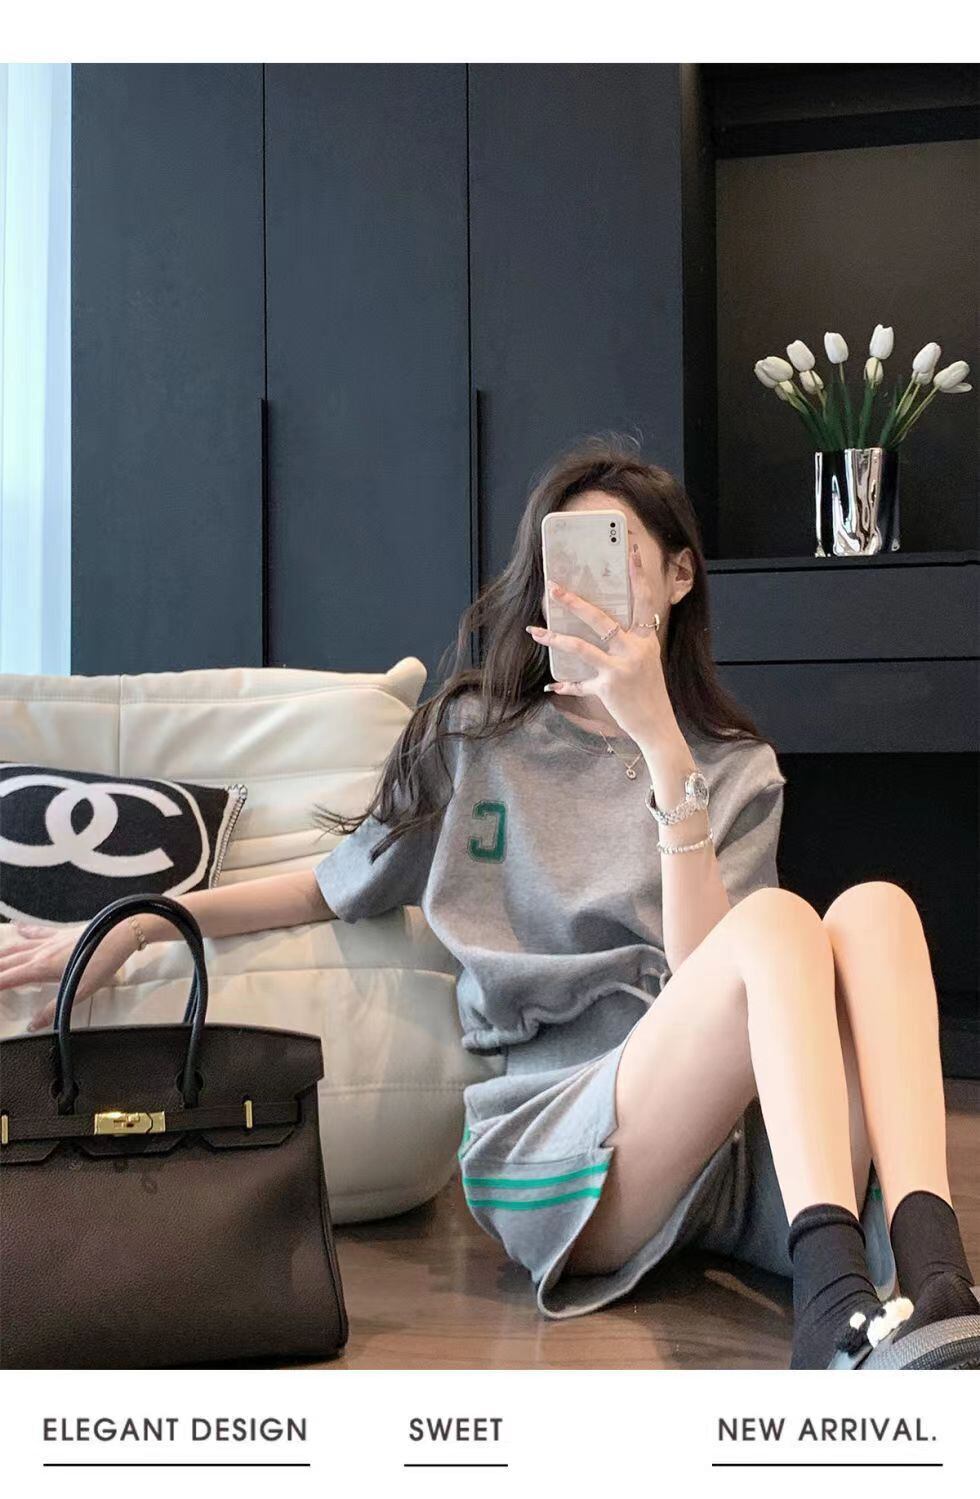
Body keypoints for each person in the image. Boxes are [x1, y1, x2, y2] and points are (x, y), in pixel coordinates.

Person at [5, 435, 977, 1370]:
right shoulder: (476, 737)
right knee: (775, 923)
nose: (586, 588)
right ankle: (833, 1300)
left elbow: (720, 987)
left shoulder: (732, 766)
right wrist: (140, 921)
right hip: (568, 1139)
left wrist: (661, 747)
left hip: (737, 1152)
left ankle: (934, 1275)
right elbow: (331, 883)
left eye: (617, 558)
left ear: (680, 576)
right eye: (566, 562)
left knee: (876, 908)